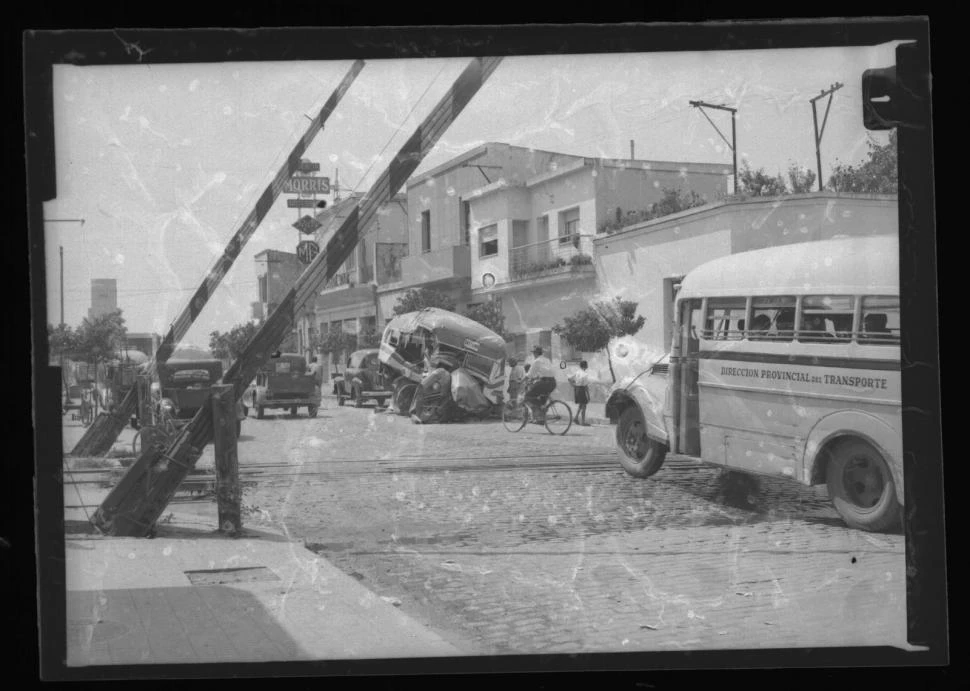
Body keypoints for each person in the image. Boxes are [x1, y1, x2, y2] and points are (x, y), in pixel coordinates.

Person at [523, 346, 557, 423]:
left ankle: (541, 408)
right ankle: (541, 419)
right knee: (542, 399)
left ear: (536, 353)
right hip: (552, 382)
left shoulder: (537, 361)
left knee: (528, 396)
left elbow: (530, 374)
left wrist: (522, 380)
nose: (533, 355)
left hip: (544, 382)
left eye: (534, 353)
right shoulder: (547, 360)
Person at [567, 360, 591, 426]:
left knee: (581, 405)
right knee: (584, 406)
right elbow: (585, 386)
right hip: (582, 390)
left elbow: (569, 379)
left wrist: (573, 385)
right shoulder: (585, 374)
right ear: (585, 366)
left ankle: (576, 418)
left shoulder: (577, 372)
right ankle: (583, 422)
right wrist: (588, 396)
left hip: (576, 389)